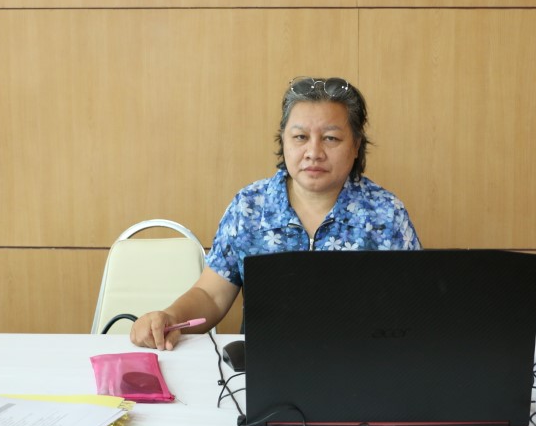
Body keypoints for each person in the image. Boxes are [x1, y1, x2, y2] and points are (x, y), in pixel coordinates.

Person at [130, 76, 421, 349]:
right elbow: (211, 295)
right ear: (283, 140)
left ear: (356, 145)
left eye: (331, 138)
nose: (314, 152)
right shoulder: (250, 206)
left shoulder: (385, 212)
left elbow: (412, 305)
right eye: (300, 137)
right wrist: (171, 316)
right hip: (266, 364)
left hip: (358, 363)